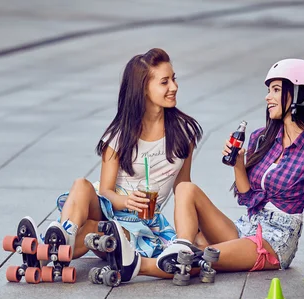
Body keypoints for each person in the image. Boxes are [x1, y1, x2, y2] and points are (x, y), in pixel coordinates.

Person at [156, 58, 304, 274]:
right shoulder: (261, 138)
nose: (267, 97)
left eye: (276, 90)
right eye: (269, 90)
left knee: (205, 256)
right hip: (246, 226)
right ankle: (183, 245)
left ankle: (139, 266)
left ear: (299, 94)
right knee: (185, 189)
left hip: (275, 240)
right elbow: (248, 198)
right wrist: (238, 165)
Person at [33, 47, 204, 283]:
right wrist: (126, 200)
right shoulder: (119, 136)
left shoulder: (184, 133)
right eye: (164, 82)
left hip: (137, 225)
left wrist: (194, 232)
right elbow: (104, 191)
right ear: (143, 88)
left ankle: (43, 254)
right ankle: (65, 235)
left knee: (96, 230)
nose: (174, 87)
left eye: (173, 79)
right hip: (107, 204)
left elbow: (183, 186)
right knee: (82, 185)